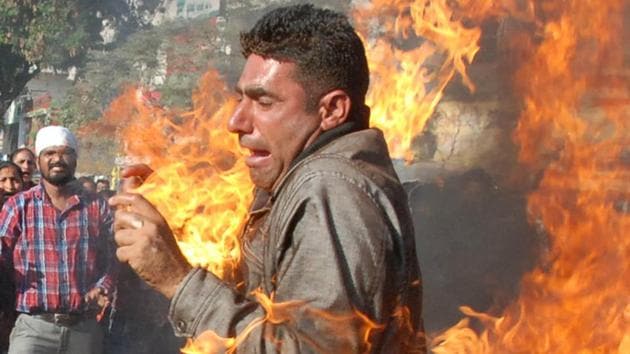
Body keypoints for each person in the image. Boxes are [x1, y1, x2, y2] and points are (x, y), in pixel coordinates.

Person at [111, 4, 425, 353]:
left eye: (264, 101)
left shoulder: (329, 187)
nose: (236, 122)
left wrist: (178, 281)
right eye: (240, 97)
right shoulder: (316, 179)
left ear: (333, 110)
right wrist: (176, 227)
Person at [0, 126, 117, 354]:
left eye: (65, 153)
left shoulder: (96, 206)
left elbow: (114, 257)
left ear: (74, 159)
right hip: (33, 329)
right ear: (39, 160)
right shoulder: (18, 206)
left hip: (84, 329)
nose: (57, 159)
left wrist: (102, 286)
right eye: (49, 153)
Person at [0, 161, 23, 353]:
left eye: (14, 180)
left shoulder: (29, 211)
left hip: (20, 294)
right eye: (3, 180)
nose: (9, 186)